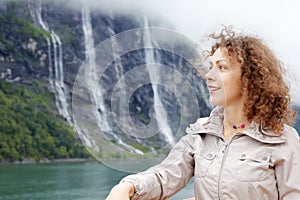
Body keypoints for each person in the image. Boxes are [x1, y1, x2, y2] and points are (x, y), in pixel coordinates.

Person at [105, 26, 300, 200]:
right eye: (211, 67)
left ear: (249, 79)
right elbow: (164, 176)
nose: (209, 76)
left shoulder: (283, 140)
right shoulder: (200, 134)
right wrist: (128, 186)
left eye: (222, 68)